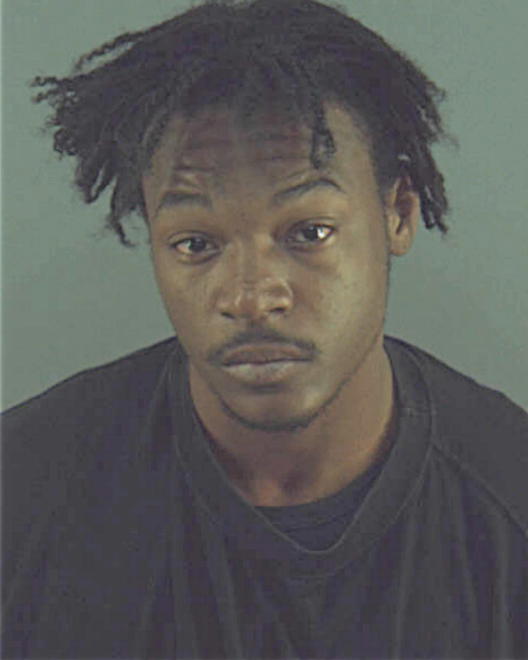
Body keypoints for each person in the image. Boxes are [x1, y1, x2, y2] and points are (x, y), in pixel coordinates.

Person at [2, 0, 527, 657]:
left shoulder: (509, 501)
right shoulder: (22, 493)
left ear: (397, 213)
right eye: (196, 243)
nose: (251, 297)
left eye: (309, 232)